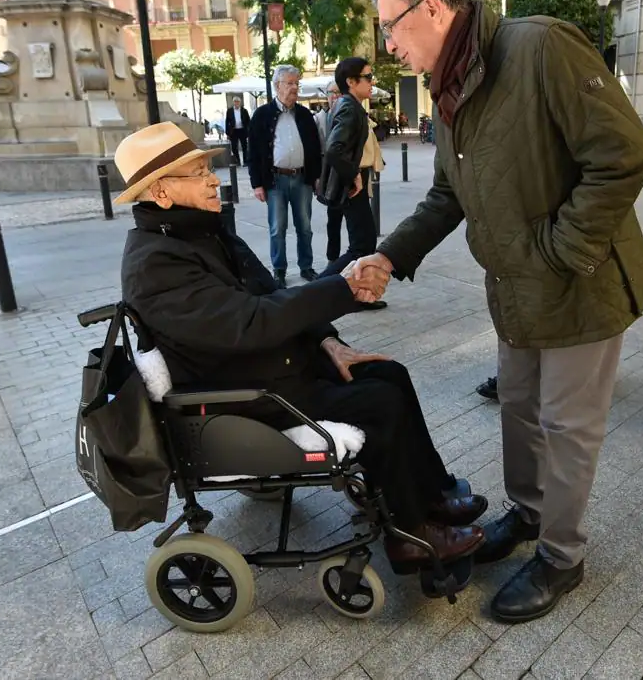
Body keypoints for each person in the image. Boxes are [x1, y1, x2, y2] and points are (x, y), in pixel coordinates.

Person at [349, 0, 643, 623]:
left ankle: (562, 555)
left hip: (580, 285)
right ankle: (530, 513)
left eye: (392, 27)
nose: (390, 46)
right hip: (515, 292)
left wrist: (560, 249)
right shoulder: (450, 86)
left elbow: (624, 154)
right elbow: (445, 194)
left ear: (430, 7)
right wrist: (390, 253)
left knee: (567, 426)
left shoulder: (539, 47)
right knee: (519, 408)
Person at [113, 122, 486, 571]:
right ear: (161, 192)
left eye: (208, 168)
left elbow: (270, 294)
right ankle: (409, 535)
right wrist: (343, 287)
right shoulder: (155, 263)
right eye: (197, 173)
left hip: (269, 366)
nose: (214, 179)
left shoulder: (199, 233)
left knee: (389, 373)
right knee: (378, 400)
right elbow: (249, 322)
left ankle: (433, 496)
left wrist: (329, 340)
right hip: (240, 395)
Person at [248, 65, 323, 289]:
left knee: (305, 226)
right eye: (289, 83)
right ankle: (279, 270)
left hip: (302, 179)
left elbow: (314, 147)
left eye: (296, 83)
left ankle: (306, 267)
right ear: (277, 86)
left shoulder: (304, 114)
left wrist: (316, 176)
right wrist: (256, 184)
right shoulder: (262, 115)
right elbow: (253, 152)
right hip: (274, 181)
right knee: (277, 228)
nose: (294, 88)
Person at [324, 57, 388, 312]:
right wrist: (354, 175)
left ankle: (358, 295)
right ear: (351, 82)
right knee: (361, 246)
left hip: (354, 184)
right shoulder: (349, 108)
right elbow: (333, 149)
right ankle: (317, 289)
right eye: (368, 77)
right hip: (352, 186)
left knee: (363, 245)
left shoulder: (350, 105)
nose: (372, 82)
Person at [315, 81, 345, 263]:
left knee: (353, 220)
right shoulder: (319, 119)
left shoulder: (349, 115)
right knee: (333, 220)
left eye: (338, 92)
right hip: (330, 176)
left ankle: (357, 256)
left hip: (348, 175)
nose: (334, 96)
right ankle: (332, 259)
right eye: (331, 92)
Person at [225, 96, 251, 166]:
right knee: (234, 147)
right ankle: (238, 161)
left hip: (242, 130)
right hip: (234, 131)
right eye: (235, 101)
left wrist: (249, 130)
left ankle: (245, 161)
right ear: (233, 102)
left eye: (238, 102)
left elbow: (248, 121)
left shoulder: (244, 110)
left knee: (244, 147)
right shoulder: (229, 111)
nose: (236, 103)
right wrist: (227, 133)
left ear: (240, 103)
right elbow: (227, 122)